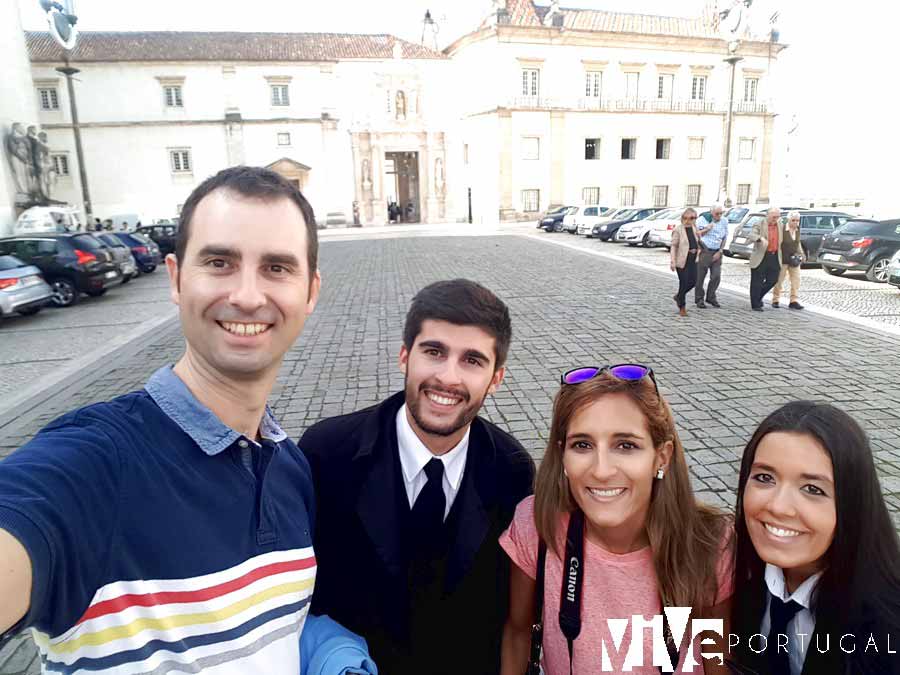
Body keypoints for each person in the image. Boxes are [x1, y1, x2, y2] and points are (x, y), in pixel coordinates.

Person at [0, 166, 376, 675]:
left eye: (277, 267)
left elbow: (265, 626)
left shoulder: (289, 468)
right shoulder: (95, 464)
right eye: (220, 262)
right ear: (177, 278)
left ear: (310, 291)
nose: (247, 295)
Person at [300, 279, 535, 675]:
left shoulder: (511, 470)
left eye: (472, 360)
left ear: (496, 379)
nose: (448, 377)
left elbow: (510, 613)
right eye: (434, 352)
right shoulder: (327, 453)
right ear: (405, 356)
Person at [499, 365, 732, 674]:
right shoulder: (536, 526)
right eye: (582, 445)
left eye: (626, 445)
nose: (602, 470)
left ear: (661, 457)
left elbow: (719, 661)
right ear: (563, 456)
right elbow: (519, 633)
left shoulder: (709, 543)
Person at [727, 401, 900, 674]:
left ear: (851, 504)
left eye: (812, 489)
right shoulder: (728, 575)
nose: (778, 506)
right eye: (764, 477)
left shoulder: (888, 630)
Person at [748, 207, 783, 312]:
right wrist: (760, 238)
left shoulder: (780, 224)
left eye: (777, 217)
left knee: (773, 279)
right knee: (757, 281)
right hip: (761, 256)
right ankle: (755, 304)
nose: (775, 219)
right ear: (767, 215)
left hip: (774, 255)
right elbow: (751, 234)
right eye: (773, 217)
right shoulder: (760, 223)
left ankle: (757, 297)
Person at [695, 204, 729, 309]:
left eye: (721, 213)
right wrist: (707, 229)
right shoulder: (703, 220)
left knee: (716, 276)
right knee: (700, 277)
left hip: (717, 251)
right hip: (705, 250)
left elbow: (725, 237)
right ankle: (699, 298)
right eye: (716, 214)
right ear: (711, 212)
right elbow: (697, 234)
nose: (719, 215)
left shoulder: (724, 221)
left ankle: (711, 296)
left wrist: (720, 250)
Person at [670, 207, 701, 317]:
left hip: (693, 259)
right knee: (683, 283)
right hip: (682, 260)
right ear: (682, 218)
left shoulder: (694, 228)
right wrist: (673, 261)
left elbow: (698, 241)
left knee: (693, 281)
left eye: (692, 218)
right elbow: (673, 246)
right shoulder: (678, 230)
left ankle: (678, 296)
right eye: (686, 218)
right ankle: (682, 306)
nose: (688, 220)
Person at [772, 211, 805, 310]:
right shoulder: (782, 229)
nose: (795, 223)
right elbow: (778, 244)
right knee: (779, 280)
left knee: (796, 280)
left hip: (794, 259)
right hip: (783, 258)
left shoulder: (798, 230)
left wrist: (801, 253)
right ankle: (775, 299)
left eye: (797, 221)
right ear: (788, 220)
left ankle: (793, 301)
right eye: (793, 220)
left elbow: (797, 243)